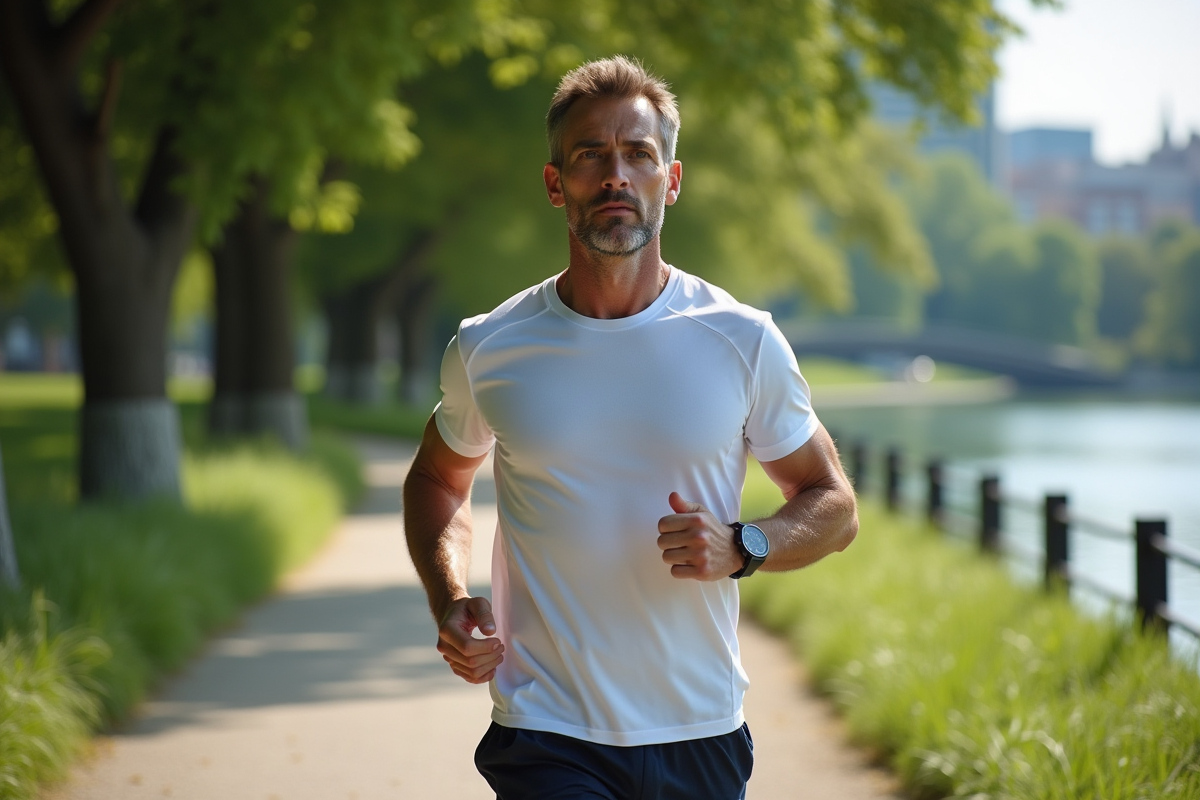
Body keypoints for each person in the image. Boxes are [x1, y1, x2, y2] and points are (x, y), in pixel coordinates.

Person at [403, 55, 858, 799]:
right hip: (546, 729)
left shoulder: (742, 340)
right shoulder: (491, 345)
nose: (615, 174)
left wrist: (746, 545)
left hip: (699, 730)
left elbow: (834, 505)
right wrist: (449, 597)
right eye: (590, 155)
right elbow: (437, 479)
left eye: (639, 154)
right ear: (557, 185)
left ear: (669, 181)